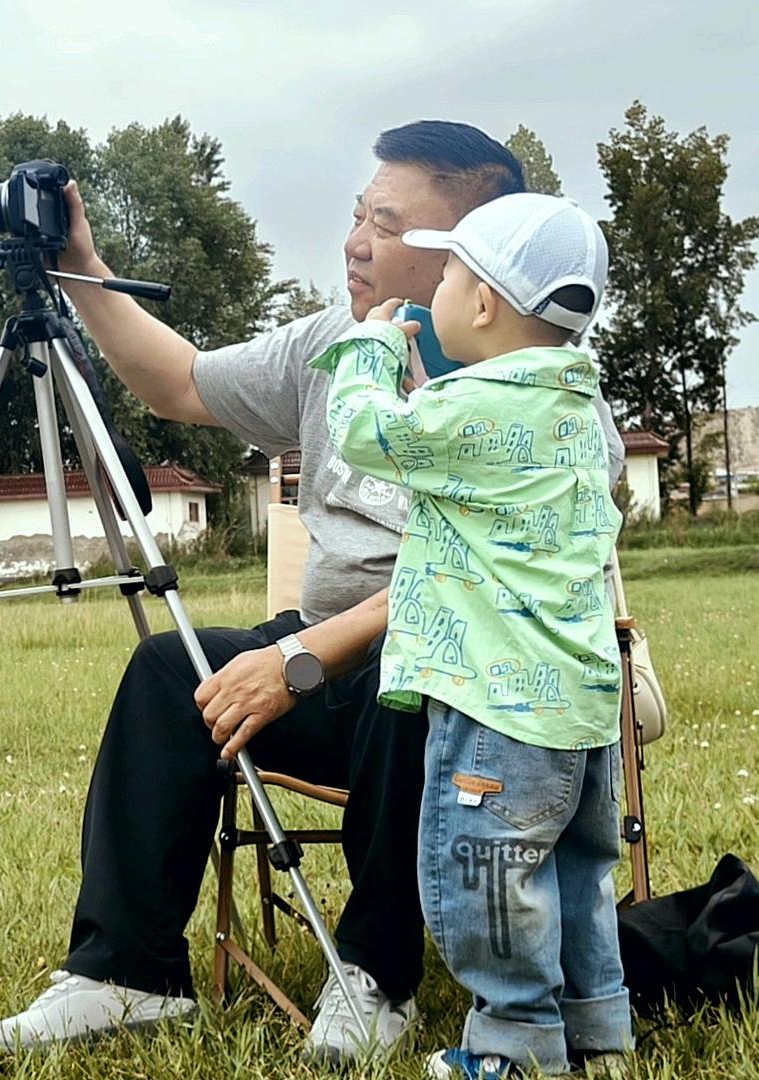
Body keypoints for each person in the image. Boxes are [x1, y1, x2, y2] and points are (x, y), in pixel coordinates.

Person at [0, 122, 625, 1063]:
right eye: (358, 215)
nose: (354, 241)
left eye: (386, 225)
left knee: (423, 672)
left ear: (473, 258)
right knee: (166, 670)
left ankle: (375, 977)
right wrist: (80, 268)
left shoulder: (553, 405)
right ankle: (127, 976)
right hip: (318, 655)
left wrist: (303, 659)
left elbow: (500, 589)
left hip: (475, 680)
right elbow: (179, 382)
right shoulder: (334, 344)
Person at [313, 193, 632, 1077]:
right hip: (578, 707)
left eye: (449, 271)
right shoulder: (566, 403)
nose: (438, 286)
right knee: (575, 878)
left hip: (497, 707)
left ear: (483, 303)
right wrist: (428, 386)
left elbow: (365, 434)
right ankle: (597, 1033)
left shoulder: (475, 413)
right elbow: (465, 444)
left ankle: (515, 1047)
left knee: (490, 880)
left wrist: (370, 348)